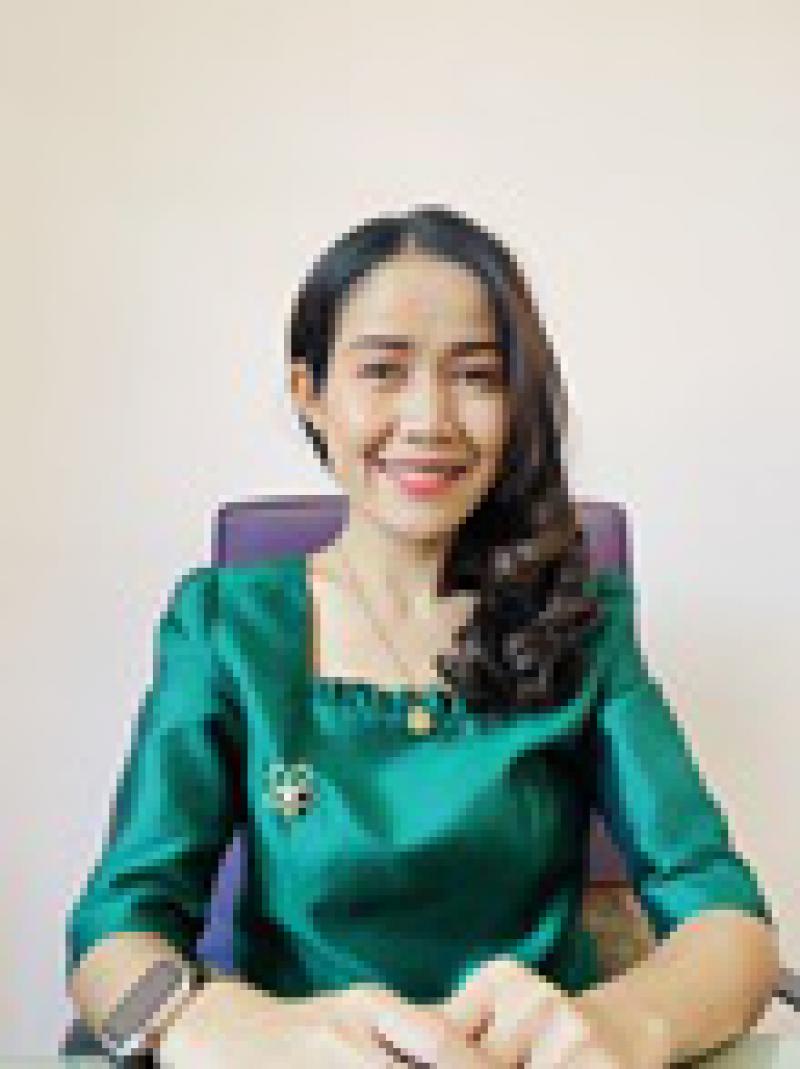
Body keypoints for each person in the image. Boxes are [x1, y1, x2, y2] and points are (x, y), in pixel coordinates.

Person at [65, 206, 779, 1067]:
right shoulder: (225, 624)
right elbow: (117, 928)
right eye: (383, 370)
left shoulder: (580, 619)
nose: (430, 418)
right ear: (310, 392)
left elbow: (726, 917)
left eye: (476, 375)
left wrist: (623, 1024)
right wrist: (214, 1026)